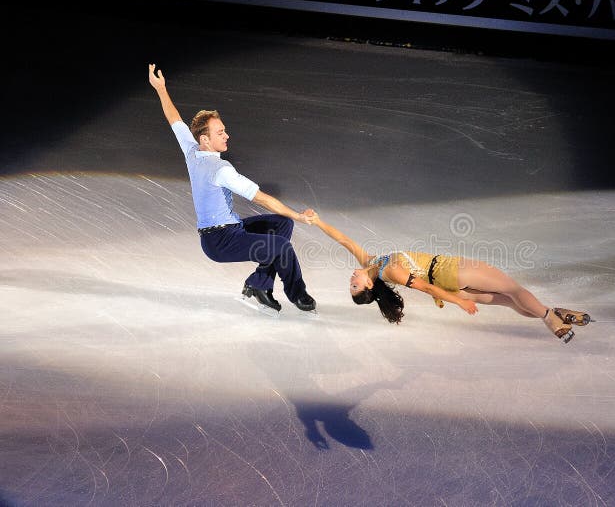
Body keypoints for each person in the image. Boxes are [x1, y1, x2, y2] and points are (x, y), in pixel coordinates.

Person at [148, 64, 316, 313]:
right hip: (220, 241)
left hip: (231, 229)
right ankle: (298, 294)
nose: (226, 135)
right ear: (205, 139)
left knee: (282, 225)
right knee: (282, 246)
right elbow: (261, 199)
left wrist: (160, 88)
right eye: (221, 132)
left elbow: (175, 120)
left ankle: (259, 283)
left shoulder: (191, 151)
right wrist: (299, 215)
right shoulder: (222, 170)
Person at [312, 217, 591, 342]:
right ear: (370, 286)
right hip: (450, 272)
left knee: (508, 301)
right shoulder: (389, 271)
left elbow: (343, 239)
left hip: (447, 282)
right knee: (513, 288)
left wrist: (317, 221)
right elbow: (426, 286)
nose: (352, 278)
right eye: (355, 285)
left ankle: (556, 313)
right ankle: (549, 317)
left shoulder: (371, 263)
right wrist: (459, 301)